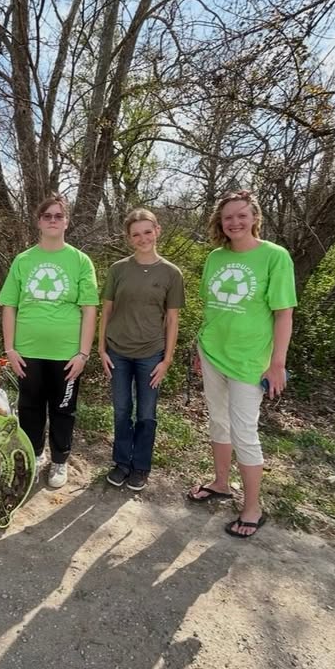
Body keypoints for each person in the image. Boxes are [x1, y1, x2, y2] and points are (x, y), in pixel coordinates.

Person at [187, 190, 296, 538]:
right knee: (218, 422)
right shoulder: (215, 258)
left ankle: (252, 508)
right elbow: (211, 308)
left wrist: (277, 363)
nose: (234, 222)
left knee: (244, 432)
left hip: (250, 361)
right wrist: (198, 349)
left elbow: (283, 313)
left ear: (254, 218)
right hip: (212, 353)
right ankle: (221, 483)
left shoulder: (274, 257)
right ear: (220, 222)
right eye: (228, 217)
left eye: (241, 215)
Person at [0, 195, 98, 489]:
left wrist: (83, 353)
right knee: (30, 407)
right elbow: (9, 306)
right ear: (39, 221)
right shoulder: (23, 260)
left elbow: (90, 308)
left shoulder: (80, 261)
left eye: (58, 215)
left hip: (67, 354)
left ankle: (60, 460)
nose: (53, 220)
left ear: (67, 221)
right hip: (28, 352)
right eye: (47, 216)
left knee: (63, 408)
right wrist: (10, 349)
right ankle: (36, 454)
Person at [99, 209, 184, 492]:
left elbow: (172, 319)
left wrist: (167, 360)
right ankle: (122, 463)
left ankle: (141, 466)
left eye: (147, 231)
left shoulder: (172, 273)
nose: (143, 238)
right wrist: (101, 348)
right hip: (118, 352)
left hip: (151, 354)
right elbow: (106, 310)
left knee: (146, 413)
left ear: (157, 231)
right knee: (122, 410)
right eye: (136, 234)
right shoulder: (118, 269)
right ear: (129, 238)